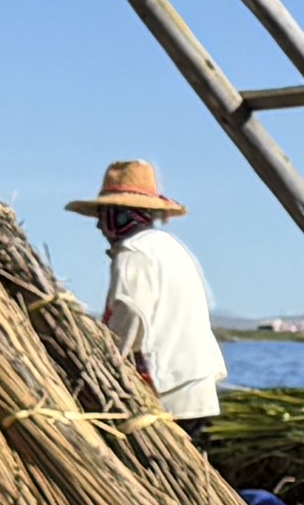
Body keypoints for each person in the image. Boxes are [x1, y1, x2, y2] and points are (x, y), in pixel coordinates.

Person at [75, 158, 219, 420]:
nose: (98, 226)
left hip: (168, 391)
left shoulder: (134, 253)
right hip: (196, 383)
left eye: (102, 216)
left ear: (119, 216)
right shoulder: (167, 246)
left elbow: (130, 313)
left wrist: (107, 361)